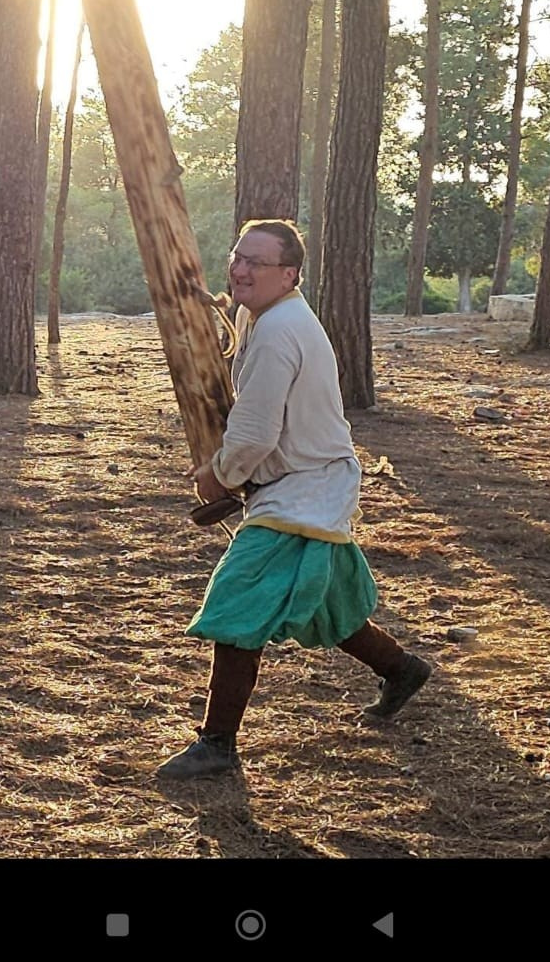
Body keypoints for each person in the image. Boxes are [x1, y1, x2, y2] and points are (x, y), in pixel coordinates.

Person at [157, 219, 431, 780]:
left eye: (257, 262)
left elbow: (256, 433)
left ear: (290, 274)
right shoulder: (260, 314)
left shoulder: (281, 329)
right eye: (237, 257)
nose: (241, 269)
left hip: (306, 486)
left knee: (237, 602)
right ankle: (401, 669)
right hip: (304, 483)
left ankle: (217, 745)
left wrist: (219, 474)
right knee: (327, 604)